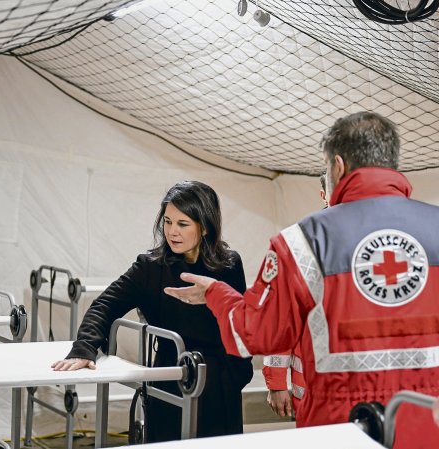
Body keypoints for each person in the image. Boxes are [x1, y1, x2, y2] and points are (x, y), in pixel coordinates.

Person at [164, 112, 439, 448]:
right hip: (430, 422)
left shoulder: (303, 243)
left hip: (342, 426)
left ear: (337, 167)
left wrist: (216, 293)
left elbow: (254, 333)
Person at [52, 180, 253, 442]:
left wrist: (239, 374)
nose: (172, 232)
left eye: (182, 224)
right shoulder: (150, 267)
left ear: (204, 227)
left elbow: (241, 320)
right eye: (168, 222)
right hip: (170, 377)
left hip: (219, 383)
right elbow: (105, 304)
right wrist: (84, 347)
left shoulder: (229, 264)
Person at [263, 174, 329, 419]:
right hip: (312, 389)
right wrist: (277, 383)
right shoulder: (301, 242)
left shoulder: (377, 239)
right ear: (324, 194)